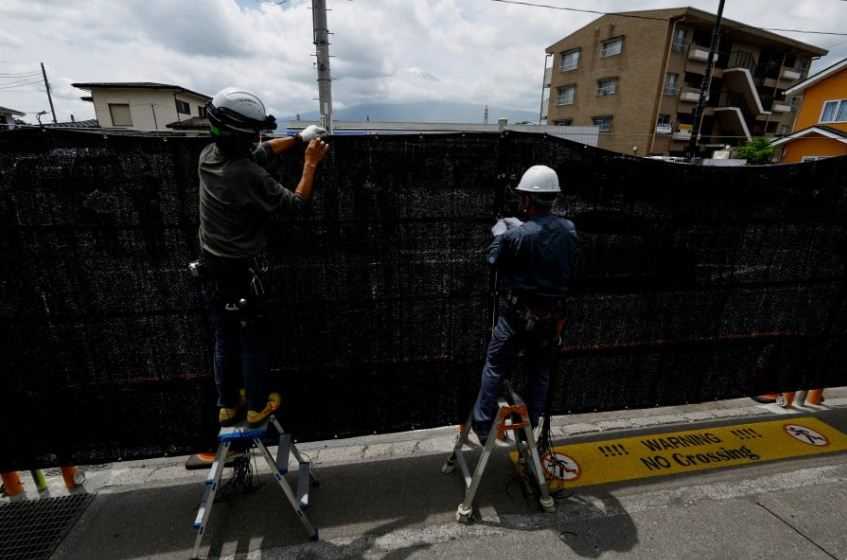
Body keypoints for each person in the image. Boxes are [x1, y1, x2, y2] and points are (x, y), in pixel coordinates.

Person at [197, 87, 330, 427]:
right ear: (240, 137)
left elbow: (262, 152)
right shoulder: (244, 174)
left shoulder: (210, 156)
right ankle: (257, 405)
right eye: (253, 133)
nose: (258, 138)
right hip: (242, 268)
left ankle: (227, 403)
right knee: (251, 337)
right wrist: (310, 162)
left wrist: (299, 138)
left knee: (224, 335)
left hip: (212, 264)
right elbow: (296, 204)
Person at [471, 165, 577, 444]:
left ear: (528, 199)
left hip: (517, 316)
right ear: (553, 198)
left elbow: (493, 260)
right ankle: (527, 427)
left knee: (494, 366)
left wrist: (501, 234)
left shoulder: (518, 235)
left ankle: (483, 427)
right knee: (539, 372)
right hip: (551, 318)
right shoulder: (569, 230)